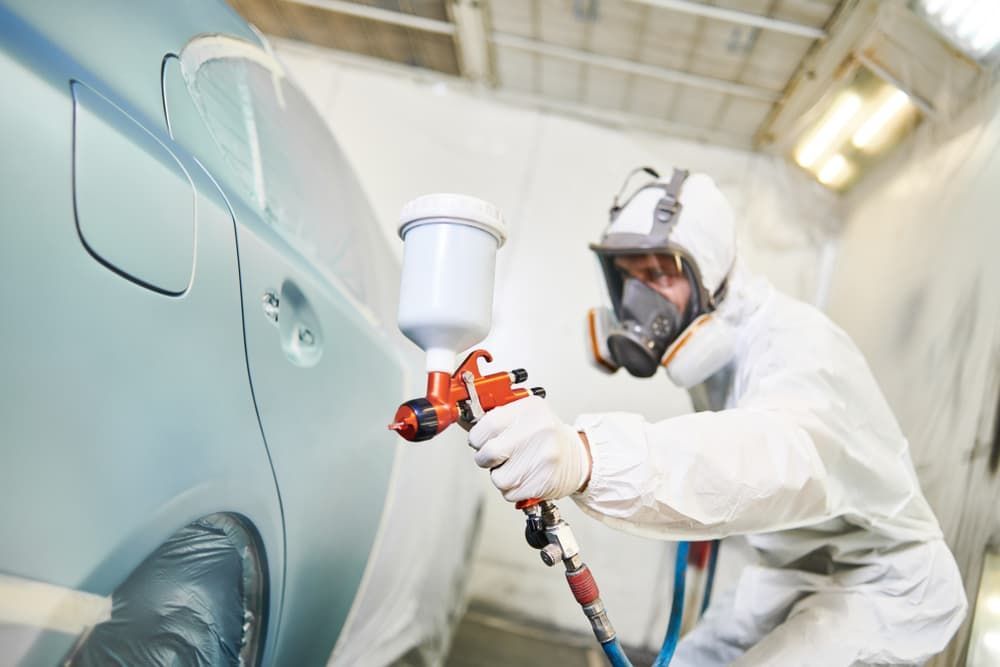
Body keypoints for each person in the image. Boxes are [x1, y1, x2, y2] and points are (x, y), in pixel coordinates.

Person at [468, 167, 967, 665]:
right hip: (787, 572)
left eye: (660, 274)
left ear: (710, 277)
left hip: (884, 584)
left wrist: (590, 458)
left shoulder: (797, 343)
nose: (640, 300)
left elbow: (776, 459)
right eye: (629, 276)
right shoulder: (715, 359)